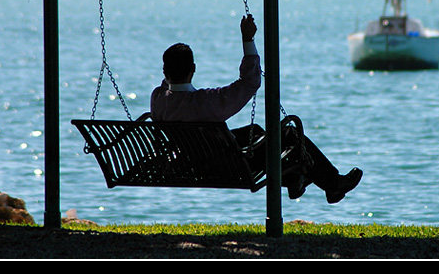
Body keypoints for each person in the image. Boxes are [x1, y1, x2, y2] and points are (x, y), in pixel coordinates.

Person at [150, 14, 362, 204]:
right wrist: (248, 39)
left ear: (164, 71)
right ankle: (331, 184)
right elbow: (250, 82)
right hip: (227, 165)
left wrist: (171, 77)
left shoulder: (158, 99)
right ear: (193, 69)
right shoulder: (206, 102)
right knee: (288, 134)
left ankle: (296, 179)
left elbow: (167, 86)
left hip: (192, 163)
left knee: (257, 131)